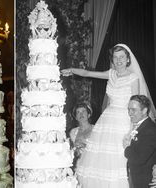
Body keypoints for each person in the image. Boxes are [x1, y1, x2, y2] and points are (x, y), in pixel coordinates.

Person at [61, 44, 156, 187]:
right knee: (100, 160)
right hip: (107, 119)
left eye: (122, 57)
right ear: (112, 59)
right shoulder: (110, 73)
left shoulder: (133, 77)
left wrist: (131, 130)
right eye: (116, 57)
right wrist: (72, 70)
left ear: (127, 59)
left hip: (124, 119)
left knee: (121, 155)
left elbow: (135, 103)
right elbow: (88, 73)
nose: (119, 60)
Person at [124, 95, 156, 188]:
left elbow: (139, 159)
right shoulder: (141, 126)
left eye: (133, 110)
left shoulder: (151, 129)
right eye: (128, 109)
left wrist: (126, 148)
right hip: (135, 177)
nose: (129, 113)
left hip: (144, 181)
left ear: (144, 110)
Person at [69, 103, 94, 168]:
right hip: (78, 165)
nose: (81, 114)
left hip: (92, 164)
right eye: (78, 112)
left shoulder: (96, 130)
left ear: (88, 114)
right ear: (76, 117)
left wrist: (85, 146)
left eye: (83, 111)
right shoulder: (73, 132)